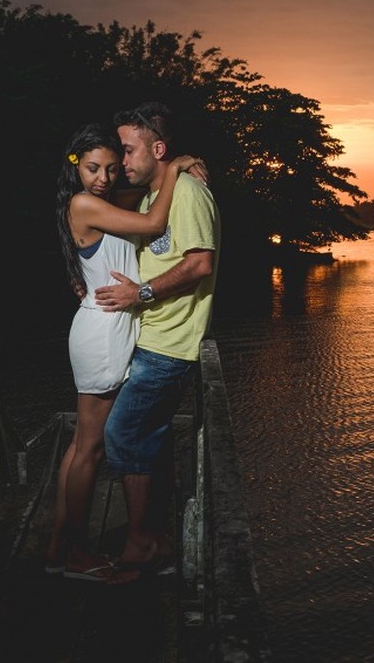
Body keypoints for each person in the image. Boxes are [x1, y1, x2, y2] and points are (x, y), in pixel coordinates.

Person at [45, 123, 205, 583]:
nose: (103, 177)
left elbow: (144, 206)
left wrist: (173, 169)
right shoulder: (83, 203)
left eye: (113, 169)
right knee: (91, 449)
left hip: (111, 326)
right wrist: (174, 166)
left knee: (81, 445)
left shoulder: (109, 204)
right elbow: (155, 223)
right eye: (94, 168)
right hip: (103, 331)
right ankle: (74, 553)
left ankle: (59, 544)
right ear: (75, 166)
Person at [93, 101, 221, 573]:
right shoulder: (154, 196)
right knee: (147, 438)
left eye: (128, 151)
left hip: (169, 347)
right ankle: (159, 541)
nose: (121, 162)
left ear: (157, 148)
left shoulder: (187, 192)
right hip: (150, 341)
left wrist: (140, 293)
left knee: (123, 433)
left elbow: (199, 262)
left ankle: (142, 544)